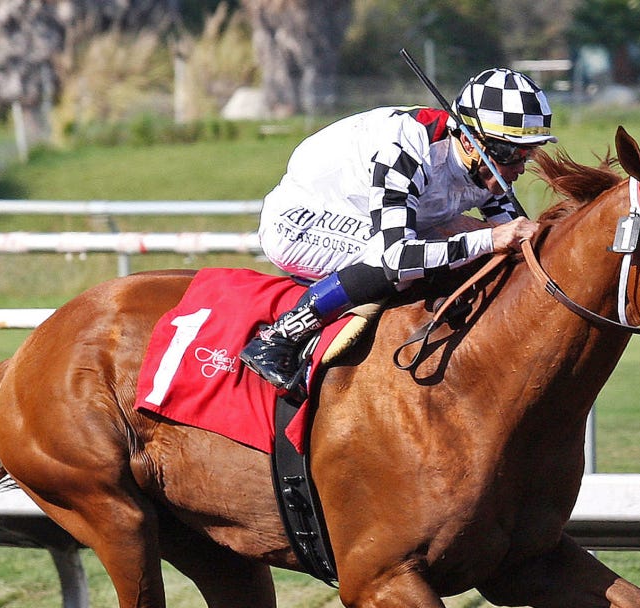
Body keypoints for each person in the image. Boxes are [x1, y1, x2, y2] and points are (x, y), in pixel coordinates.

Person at [239, 67, 557, 392]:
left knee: (468, 243)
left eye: (529, 153)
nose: (520, 167)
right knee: (402, 264)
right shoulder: (407, 151)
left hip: (370, 215)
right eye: (512, 153)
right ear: (469, 140)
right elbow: (398, 258)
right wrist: (488, 237)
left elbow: (515, 242)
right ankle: (277, 338)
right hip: (301, 220)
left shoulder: (488, 165)